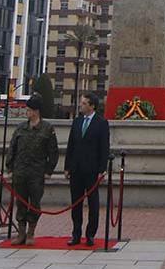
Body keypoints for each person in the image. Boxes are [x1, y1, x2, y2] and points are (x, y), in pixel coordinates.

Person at [8, 94, 59, 246]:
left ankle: (31, 231)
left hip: (37, 172)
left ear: (36, 111)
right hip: (20, 171)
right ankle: (21, 232)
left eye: (29, 110)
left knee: (35, 203)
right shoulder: (21, 128)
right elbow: (13, 148)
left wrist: (49, 170)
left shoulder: (47, 129)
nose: (27, 112)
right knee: (21, 202)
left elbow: (53, 152)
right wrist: (9, 167)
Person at [64, 92, 110, 247]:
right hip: (76, 169)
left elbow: (104, 148)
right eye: (81, 102)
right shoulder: (77, 122)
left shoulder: (101, 123)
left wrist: (102, 169)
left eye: (84, 103)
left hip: (92, 170)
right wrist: (67, 166)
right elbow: (71, 145)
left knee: (93, 204)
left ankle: (90, 234)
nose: (81, 105)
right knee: (76, 203)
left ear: (92, 106)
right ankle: (76, 234)